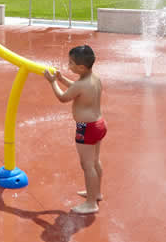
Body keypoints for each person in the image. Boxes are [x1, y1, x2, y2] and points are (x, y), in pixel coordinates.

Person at [43, 44, 106, 215]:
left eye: (70, 63)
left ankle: (91, 203)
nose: (68, 65)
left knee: (87, 165)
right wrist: (63, 79)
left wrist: (53, 82)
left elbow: (64, 97)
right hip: (99, 123)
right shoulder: (94, 79)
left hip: (86, 128)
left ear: (81, 67)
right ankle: (96, 192)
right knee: (94, 161)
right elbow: (76, 88)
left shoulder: (80, 85)